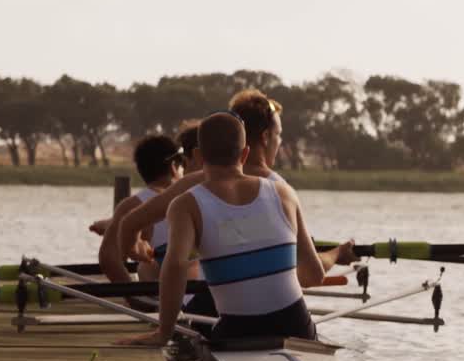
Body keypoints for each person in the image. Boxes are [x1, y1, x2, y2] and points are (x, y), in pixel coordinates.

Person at [118, 112, 328, 346]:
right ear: (245, 153)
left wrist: (163, 333)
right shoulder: (284, 193)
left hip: (237, 331)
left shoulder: (186, 204)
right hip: (296, 326)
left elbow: (175, 265)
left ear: (197, 155)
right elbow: (314, 274)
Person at [117, 90, 358, 271]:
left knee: (148, 269)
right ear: (265, 138)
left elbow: (128, 225)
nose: (280, 142)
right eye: (279, 136)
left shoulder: (191, 184)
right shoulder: (280, 191)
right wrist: (336, 254)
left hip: (206, 311)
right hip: (267, 317)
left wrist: (135, 248)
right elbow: (310, 274)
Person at [98, 134, 183, 283]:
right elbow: (109, 258)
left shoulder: (132, 205)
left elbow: (109, 259)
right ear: (173, 166)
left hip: (158, 297)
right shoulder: (193, 197)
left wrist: (135, 299)